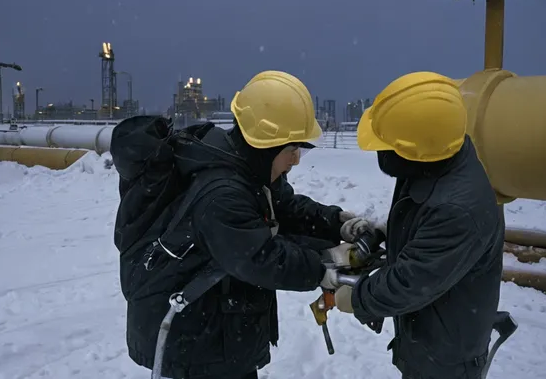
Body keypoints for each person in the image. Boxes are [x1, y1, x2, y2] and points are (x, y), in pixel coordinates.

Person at [119, 70, 366, 379]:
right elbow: (262, 258)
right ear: (266, 144)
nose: (296, 160)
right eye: (292, 149)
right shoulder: (222, 194)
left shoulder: (242, 164)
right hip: (197, 345)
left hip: (215, 333)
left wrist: (338, 224)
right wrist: (326, 266)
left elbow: (285, 207)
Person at [327, 71, 505, 379]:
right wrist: (382, 233)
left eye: (385, 146)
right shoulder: (436, 157)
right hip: (428, 336)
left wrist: (355, 296)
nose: (380, 153)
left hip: (445, 361)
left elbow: (408, 283)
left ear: (411, 149)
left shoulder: (458, 209)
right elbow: (419, 216)